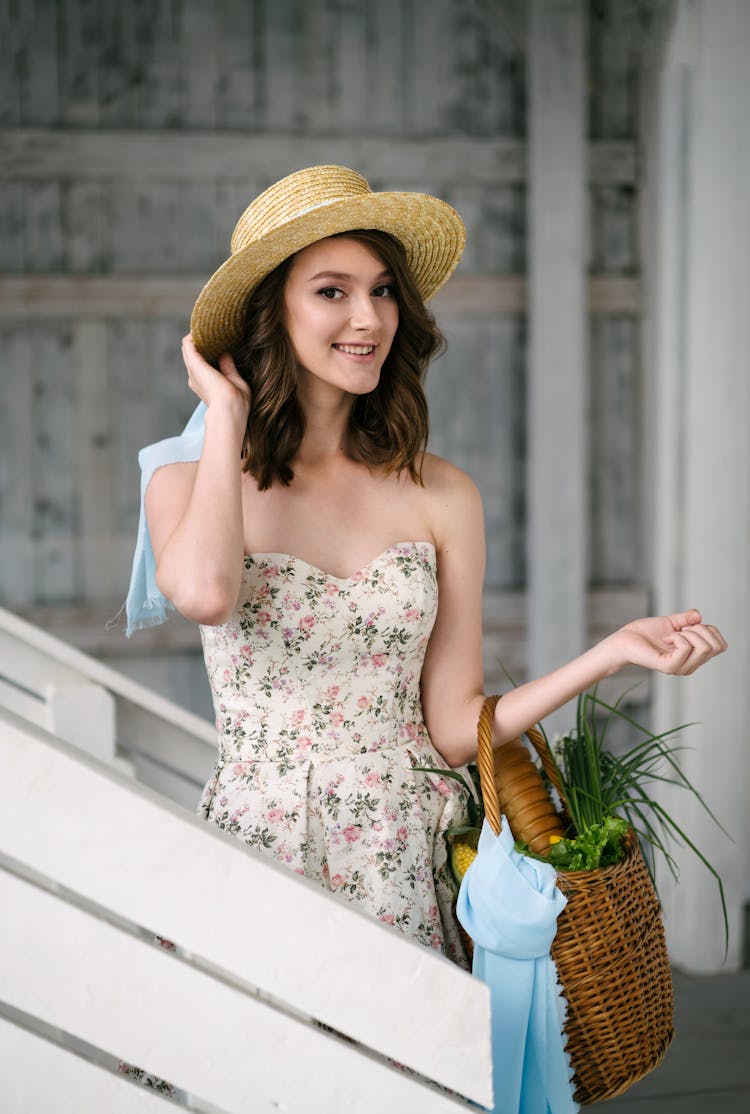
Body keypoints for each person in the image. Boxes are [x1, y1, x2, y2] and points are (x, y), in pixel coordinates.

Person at [128, 165, 727, 972]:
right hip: (265, 841)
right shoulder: (185, 484)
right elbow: (204, 594)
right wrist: (228, 413)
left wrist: (610, 652)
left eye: (382, 291)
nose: (368, 316)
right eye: (332, 292)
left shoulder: (443, 493)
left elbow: (451, 727)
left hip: (410, 857)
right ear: (272, 312)